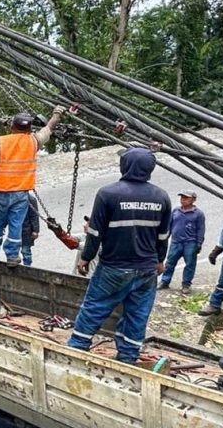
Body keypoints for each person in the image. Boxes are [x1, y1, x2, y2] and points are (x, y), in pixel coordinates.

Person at [67, 147, 171, 364]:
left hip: (114, 267)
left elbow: (95, 233)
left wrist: (86, 257)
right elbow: (163, 236)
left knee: (95, 307)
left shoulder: (108, 194)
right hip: (146, 269)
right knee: (137, 314)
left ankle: (77, 348)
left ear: (125, 166)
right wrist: (160, 260)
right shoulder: (162, 196)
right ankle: (128, 356)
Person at [0, 106, 65, 265]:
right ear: (29, 128)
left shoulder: (0, 142)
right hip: (21, 194)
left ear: (12, 127)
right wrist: (57, 112)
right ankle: (12, 256)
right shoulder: (34, 141)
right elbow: (50, 126)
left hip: (0, 192)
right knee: (16, 225)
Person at [158, 190, 206, 294]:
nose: (183, 200)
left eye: (186, 198)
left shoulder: (198, 214)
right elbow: (169, 225)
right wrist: (165, 237)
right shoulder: (176, 211)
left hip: (190, 242)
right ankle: (165, 281)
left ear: (193, 200)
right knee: (170, 262)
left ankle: (186, 284)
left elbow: (200, 230)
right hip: (176, 242)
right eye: (182, 197)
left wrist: (199, 244)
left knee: (190, 264)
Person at [21, 194, 40, 266]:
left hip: (26, 230)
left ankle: (27, 266)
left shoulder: (31, 199)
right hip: (18, 229)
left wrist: (35, 230)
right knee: (14, 249)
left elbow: (34, 216)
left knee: (26, 250)